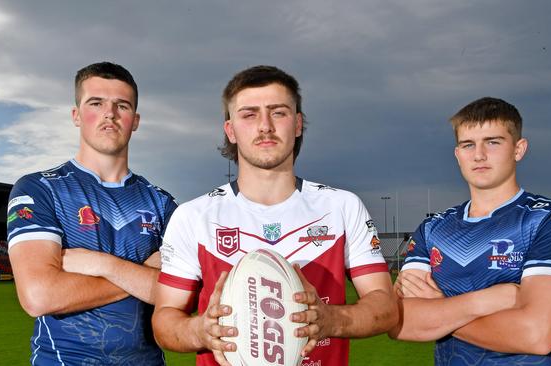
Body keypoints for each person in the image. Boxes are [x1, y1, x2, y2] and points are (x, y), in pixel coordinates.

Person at [152, 65, 396, 366]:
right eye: (249, 114)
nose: (265, 126)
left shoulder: (341, 207)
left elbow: (385, 307)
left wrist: (332, 320)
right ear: (230, 130)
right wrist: (200, 331)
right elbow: (164, 321)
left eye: (278, 112)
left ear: (297, 124)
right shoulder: (194, 216)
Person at [389, 97, 551, 365]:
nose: (479, 155)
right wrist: (486, 301)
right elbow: (399, 322)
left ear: (519, 149)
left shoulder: (550, 220)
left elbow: (537, 334)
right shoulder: (433, 228)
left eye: (493, 142)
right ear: (457, 154)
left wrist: (439, 308)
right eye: (468, 145)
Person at [7, 62, 177, 365]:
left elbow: (179, 296)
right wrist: (143, 275)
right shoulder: (40, 189)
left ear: (135, 120)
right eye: (96, 103)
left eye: (121, 105)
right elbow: (39, 296)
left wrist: (103, 265)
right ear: (76, 116)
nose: (109, 113)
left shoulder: (162, 204)